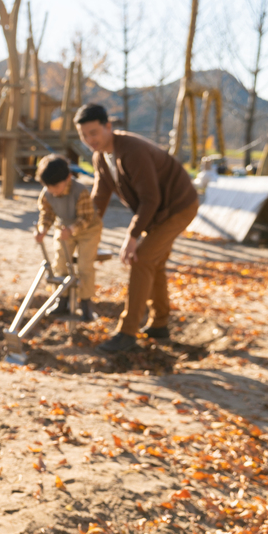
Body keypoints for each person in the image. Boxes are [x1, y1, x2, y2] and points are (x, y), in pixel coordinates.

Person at [73, 103, 198, 353]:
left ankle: (127, 332)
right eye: (84, 136)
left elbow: (150, 199)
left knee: (141, 260)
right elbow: (100, 196)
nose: (89, 140)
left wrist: (132, 236)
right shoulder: (100, 157)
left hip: (178, 206)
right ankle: (160, 324)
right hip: (158, 211)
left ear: (108, 127)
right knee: (155, 262)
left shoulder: (132, 151)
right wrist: (83, 226)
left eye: (94, 133)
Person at [34, 153, 102, 322]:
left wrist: (72, 230)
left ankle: (86, 304)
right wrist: (42, 229)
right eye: (49, 187)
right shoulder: (47, 192)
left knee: (85, 265)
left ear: (69, 178)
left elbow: (86, 218)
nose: (53, 191)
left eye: (57, 187)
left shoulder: (81, 191)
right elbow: (47, 214)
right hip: (64, 226)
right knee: (61, 262)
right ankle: (61, 299)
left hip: (88, 229)